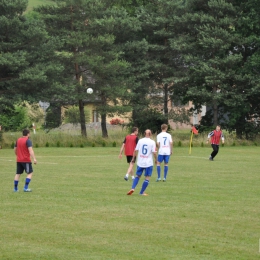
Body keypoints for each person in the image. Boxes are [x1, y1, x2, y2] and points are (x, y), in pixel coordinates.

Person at [127, 129, 157, 196]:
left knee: (137, 176)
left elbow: (135, 150)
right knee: (147, 177)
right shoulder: (152, 142)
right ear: (151, 134)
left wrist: (133, 159)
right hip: (148, 163)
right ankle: (141, 192)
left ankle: (133, 188)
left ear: (144, 134)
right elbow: (154, 153)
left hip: (140, 162)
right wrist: (156, 159)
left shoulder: (140, 141)